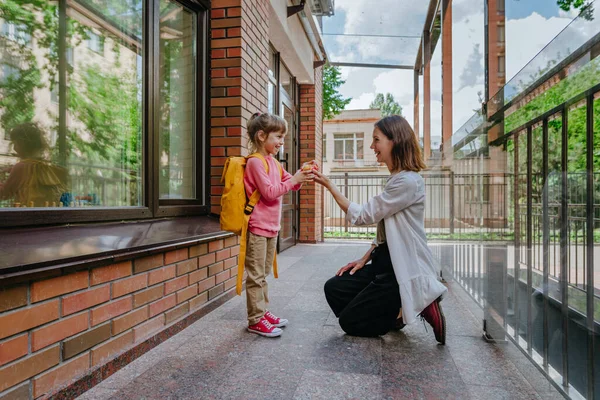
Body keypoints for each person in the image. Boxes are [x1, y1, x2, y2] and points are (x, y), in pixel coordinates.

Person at [312, 115, 448, 344]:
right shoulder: (397, 179)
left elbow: (364, 215)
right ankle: (395, 312)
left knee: (349, 323)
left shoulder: (407, 182)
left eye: (376, 140)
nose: (371, 146)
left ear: (394, 141)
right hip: (384, 262)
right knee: (335, 288)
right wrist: (364, 259)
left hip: (398, 270)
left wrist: (329, 185)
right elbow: (385, 229)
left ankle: (418, 304)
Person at [243, 112, 315, 337]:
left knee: (262, 273)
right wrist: (293, 180)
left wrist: (301, 173)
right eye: (278, 137)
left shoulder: (272, 162)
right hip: (256, 227)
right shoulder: (255, 162)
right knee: (256, 275)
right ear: (261, 136)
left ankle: (262, 312)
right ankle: (255, 319)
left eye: (283, 137)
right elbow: (270, 193)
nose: (282, 142)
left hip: (270, 227)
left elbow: (289, 183)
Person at [0, 123, 69, 207]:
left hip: (26, 216)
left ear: (22, 144)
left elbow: (4, 194)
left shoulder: (21, 168)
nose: (14, 148)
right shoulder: (44, 167)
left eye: (15, 144)